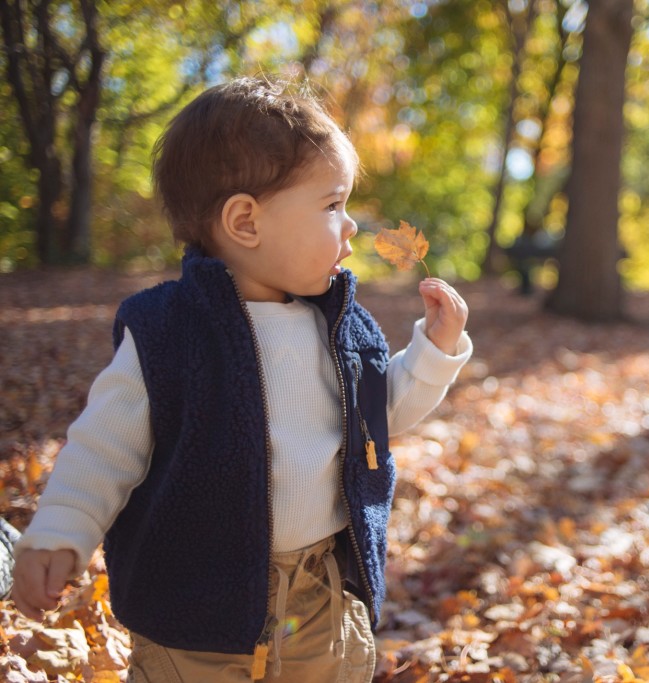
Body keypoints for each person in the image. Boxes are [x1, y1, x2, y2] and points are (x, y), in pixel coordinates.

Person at [10, 76, 472, 682]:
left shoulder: (340, 324)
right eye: (332, 205)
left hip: (319, 598)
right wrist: (60, 531)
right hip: (193, 607)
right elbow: (105, 447)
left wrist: (435, 350)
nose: (352, 226)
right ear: (246, 222)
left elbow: (377, 419)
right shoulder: (168, 334)